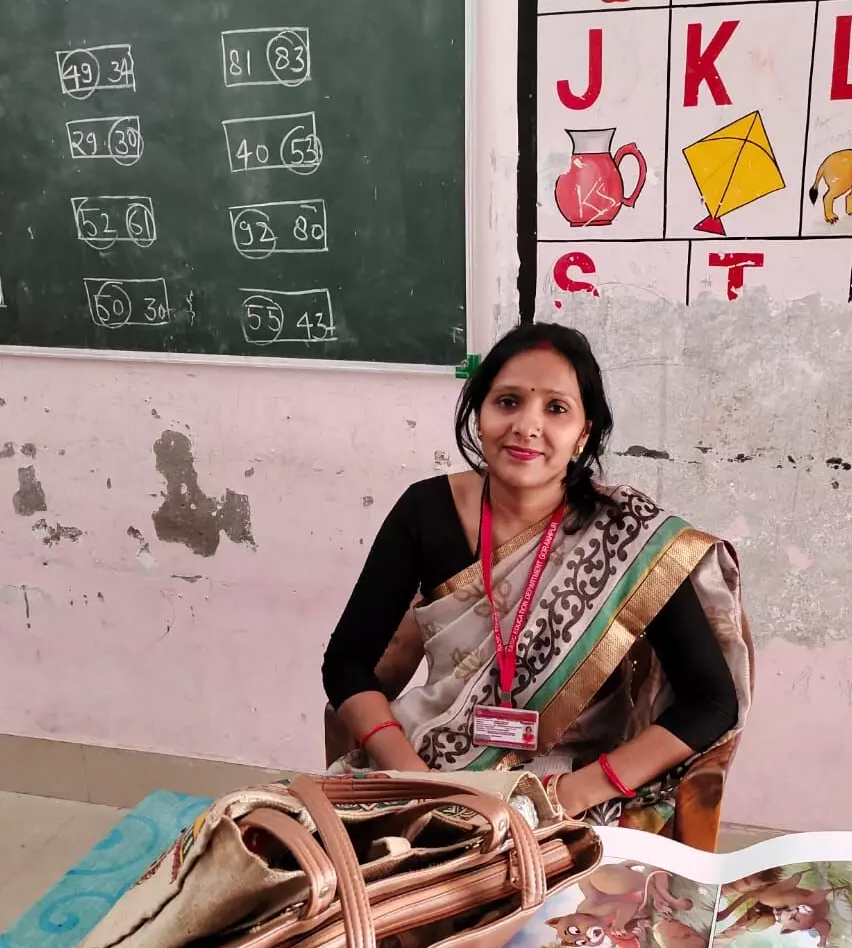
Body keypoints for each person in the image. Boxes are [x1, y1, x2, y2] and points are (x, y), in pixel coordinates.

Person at [321, 322, 753, 849]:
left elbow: (712, 702)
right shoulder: (425, 511)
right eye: (508, 401)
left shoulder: (627, 534)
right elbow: (346, 663)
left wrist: (570, 794)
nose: (527, 425)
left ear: (584, 433)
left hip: (573, 791)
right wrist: (414, 778)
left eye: (555, 408)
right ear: (479, 416)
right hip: (430, 764)